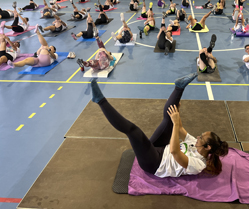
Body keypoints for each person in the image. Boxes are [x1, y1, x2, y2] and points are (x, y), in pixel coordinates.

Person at [89, 72, 229, 177]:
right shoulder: (194, 143)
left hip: (155, 164)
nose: (198, 137)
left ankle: (100, 101)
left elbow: (175, 151)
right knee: (169, 117)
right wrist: (177, 113)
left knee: (133, 131)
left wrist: (175, 124)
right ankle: (179, 88)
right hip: (161, 149)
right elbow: (179, 128)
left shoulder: (198, 164)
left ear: (207, 147)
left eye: (201, 138)